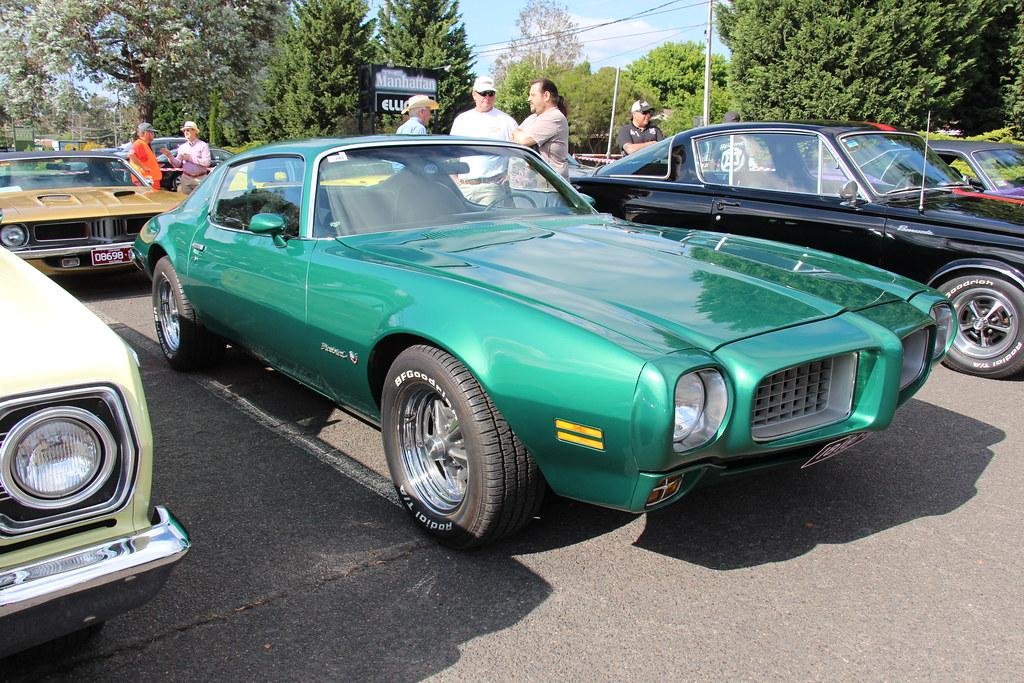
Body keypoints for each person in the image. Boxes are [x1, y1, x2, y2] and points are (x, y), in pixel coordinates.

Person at [449, 75, 519, 204]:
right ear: (474, 94)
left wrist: (510, 175)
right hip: (464, 187)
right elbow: (451, 153)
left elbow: (519, 151)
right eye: (483, 93)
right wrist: (454, 180)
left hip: (492, 187)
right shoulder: (462, 120)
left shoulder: (506, 121)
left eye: (490, 93)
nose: (487, 97)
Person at [512, 78, 569, 178]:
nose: (529, 99)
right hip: (534, 186)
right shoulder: (533, 117)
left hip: (550, 187)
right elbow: (513, 136)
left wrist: (519, 134)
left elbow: (523, 140)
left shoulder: (554, 117)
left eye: (533, 95)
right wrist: (518, 133)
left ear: (546, 96)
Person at [160, 121, 211, 195]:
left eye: (188, 130)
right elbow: (177, 164)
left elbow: (207, 163)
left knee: (200, 200)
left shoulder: (203, 145)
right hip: (186, 178)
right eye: (184, 130)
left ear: (194, 131)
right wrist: (169, 156)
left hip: (200, 178)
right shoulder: (182, 147)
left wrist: (190, 158)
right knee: (185, 202)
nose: (185, 132)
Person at [128, 122, 162, 188]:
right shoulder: (139, 144)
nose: (153, 134)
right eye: (152, 132)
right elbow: (131, 155)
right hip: (146, 182)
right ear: (146, 133)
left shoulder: (144, 144)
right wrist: (143, 167)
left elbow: (144, 160)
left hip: (149, 181)